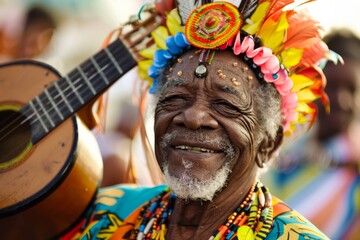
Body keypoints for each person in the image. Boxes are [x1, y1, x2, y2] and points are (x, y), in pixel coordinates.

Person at [60, 1, 336, 239]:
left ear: (269, 144)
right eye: (175, 99)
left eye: (225, 104)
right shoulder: (106, 214)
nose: (193, 117)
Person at [261, 29, 360, 240]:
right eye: (330, 87)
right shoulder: (283, 150)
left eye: (351, 90)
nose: (341, 101)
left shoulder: (354, 166)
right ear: (311, 88)